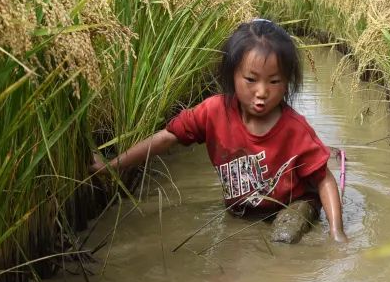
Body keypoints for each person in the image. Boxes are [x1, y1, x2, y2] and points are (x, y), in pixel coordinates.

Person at [91, 18, 346, 243]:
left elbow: (324, 179)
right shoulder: (213, 112)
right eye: (251, 79)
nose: (262, 92)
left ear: (287, 82)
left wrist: (337, 233)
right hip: (244, 209)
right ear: (232, 74)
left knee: (284, 237)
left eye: (274, 81)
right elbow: (167, 137)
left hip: (294, 204)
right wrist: (112, 165)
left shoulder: (294, 129)